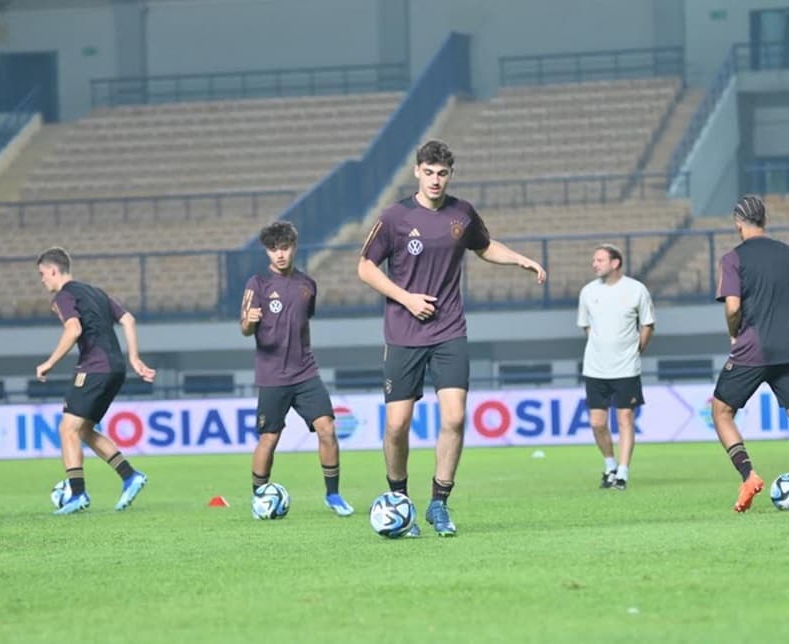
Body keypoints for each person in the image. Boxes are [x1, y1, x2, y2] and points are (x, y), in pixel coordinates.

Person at [357, 140, 547, 536]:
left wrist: (519, 259)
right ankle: (400, 500)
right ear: (417, 172)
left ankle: (439, 504)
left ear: (450, 175)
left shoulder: (462, 213)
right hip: (403, 331)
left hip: (449, 330)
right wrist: (406, 298)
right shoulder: (395, 217)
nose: (435, 180)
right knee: (396, 425)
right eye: (429, 172)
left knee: (456, 417)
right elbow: (365, 268)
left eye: (442, 173)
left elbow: (484, 246)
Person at [710, 195, 789, 513]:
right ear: (764, 220)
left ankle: (748, 475)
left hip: (751, 350)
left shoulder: (732, 259)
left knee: (721, 411)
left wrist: (734, 330)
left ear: (738, 221)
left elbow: (733, 306)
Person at [240, 221, 354, 517]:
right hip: (272, 376)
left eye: (285, 248)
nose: (280, 254)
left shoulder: (308, 285)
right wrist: (250, 320)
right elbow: (244, 328)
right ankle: (259, 498)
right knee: (270, 438)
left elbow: (304, 323)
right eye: (274, 249)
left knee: (327, 429)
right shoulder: (257, 284)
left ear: (294, 247)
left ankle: (333, 495)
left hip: (305, 373)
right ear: (267, 252)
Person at [34, 247, 154, 515]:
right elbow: (128, 319)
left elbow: (73, 329)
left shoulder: (63, 296)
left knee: (67, 430)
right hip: (116, 368)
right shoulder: (96, 292)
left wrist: (49, 363)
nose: (42, 280)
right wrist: (134, 358)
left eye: (42, 274)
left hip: (94, 368)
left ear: (54, 270)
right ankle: (129, 476)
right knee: (84, 430)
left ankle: (77, 494)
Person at [577, 244, 655, 490]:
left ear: (615, 263)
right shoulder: (588, 292)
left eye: (599, 259)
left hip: (626, 368)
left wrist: (636, 349)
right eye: (594, 259)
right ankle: (609, 465)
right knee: (597, 423)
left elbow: (648, 324)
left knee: (625, 419)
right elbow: (586, 326)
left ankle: (622, 473)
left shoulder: (636, 290)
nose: (594, 264)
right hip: (595, 368)